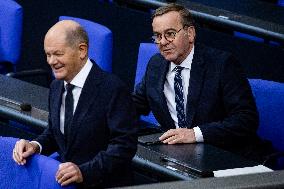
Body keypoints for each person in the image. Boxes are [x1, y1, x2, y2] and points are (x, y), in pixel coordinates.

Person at [132, 3, 272, 162]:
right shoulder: (156, 65)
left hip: (224, 154)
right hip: (179, 156)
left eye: (170, 34)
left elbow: (245, 119)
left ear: (190, 33)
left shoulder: (222, 65)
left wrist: (195, 133)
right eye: (158, 36)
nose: (163, 42)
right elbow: (135, 103)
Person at [13, 20, 137, 188]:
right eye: (48, 55)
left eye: (58, 54)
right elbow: (55, 133)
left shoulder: (112, 89)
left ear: (82, 50)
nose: (51, 61)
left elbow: (124, 147)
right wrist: (35, 145)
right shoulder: (56, 86)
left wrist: (84, 172)